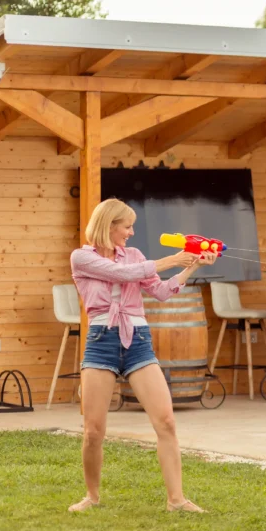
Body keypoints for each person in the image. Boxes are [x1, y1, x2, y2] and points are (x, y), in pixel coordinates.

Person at [68, 198, 217, 513]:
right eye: (127, 226)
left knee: (166, 421)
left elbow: (161, 292)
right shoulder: (82, 257)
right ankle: (91, 497)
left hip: (138, 340)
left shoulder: (134, 256)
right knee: (94, 430)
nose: (131, 233)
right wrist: (172, 259)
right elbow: (120, 274)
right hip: (101, 340)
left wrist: (191, 266)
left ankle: (176, 500)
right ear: (109, 225)